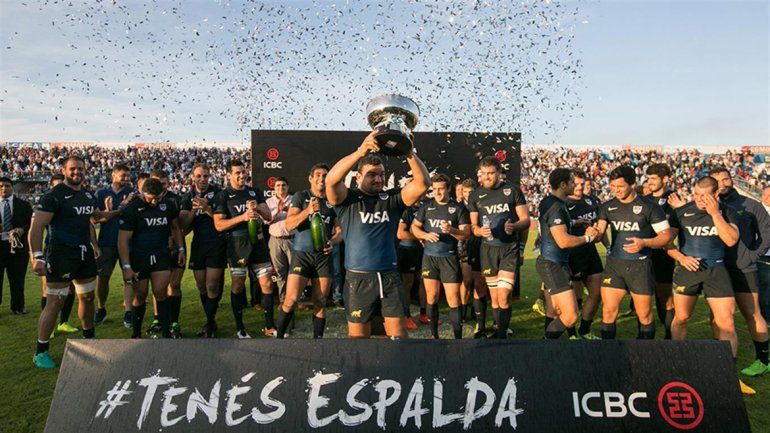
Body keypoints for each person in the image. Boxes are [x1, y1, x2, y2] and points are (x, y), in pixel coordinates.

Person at [326, 131, 430, 338]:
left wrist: (409, 152)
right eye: (372, 174)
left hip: (390, 277)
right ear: (358, 177)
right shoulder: (348, 199)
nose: (378, 178)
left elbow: (423, 184)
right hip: (358, 279)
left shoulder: (391, 198)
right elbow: (331, 181)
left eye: (381, 174)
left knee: (399, 340)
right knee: (359, 341)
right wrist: (359, 153)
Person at [29, 156, 122, 368]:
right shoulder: (53, 196)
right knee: (56, 301)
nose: (77, 172)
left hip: (84, 254)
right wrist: (37, 256)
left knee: (87, 297)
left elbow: (95, 218)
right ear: (63, 170)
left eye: (80, 169)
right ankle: (41, 350)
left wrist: (119, 210)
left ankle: (89, 337)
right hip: (60, 254)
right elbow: (36, 228)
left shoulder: (88, 195)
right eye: (72, 169)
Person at [665, 176, 753, 394]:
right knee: (682, 317)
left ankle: (729, 374)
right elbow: (666, 243)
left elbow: (731, 239)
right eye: (695, 194)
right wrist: (681, 257)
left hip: (717, 271)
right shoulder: (682, 211)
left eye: (704, 195)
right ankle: (677, 363)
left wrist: (715, 214)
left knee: (727, 323)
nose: (699, 199)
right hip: (688, 271)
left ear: (715, 194)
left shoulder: (727, 211)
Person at [593, 165, 673, 340]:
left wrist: (645, 242)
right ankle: (607, 356)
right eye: (612, 187)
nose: (616, 190)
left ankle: (644, 355)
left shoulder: (650, 207)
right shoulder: (607, 207)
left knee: (644, 315)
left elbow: (666, 236)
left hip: (640, 266)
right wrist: (593, 233)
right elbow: (599, 233)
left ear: (632, 183)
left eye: (620, 186)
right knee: (608, 312)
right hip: (615, 265)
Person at [710, 166, 770, 377]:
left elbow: (766, 235)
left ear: (732, 180)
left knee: (751, 313)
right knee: (717, 316)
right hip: (716, 268)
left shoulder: (751, 205)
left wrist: (751, 256)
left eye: (726, 179)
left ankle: (763, 360)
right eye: (717, 180)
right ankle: (721, 357)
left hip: (743, 268)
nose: (723, 183)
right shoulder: (709, 206)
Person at [467, 156, 530, 339]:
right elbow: (473, 227)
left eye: (491, 173)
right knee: (494, 298)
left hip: (508, 248)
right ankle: (498, 330)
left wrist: (514, 226)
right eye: (484, 174)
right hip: (487, 249)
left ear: (499, 173)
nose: (487, 177)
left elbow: (526, 220)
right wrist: (478, 230)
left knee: (503, 295)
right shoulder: (475, 195)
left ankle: (500, 336)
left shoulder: (512, 191)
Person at [276, 164, 342, 339]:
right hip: (302, 256)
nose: (321, 178)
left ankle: (317, 342)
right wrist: (308, 211)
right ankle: (279, 339)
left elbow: (340, 232)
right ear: (310, 178)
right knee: (291, 300)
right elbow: (289, 224)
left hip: (323, 257)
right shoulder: (301, 196)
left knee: (320, 302)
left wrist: (333, 241)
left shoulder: (332, 199)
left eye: (325, 175)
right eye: (318, 175)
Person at [213, 160, 275, 338]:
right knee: (238, 285)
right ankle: (240, 328)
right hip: (237, 244)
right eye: (237, 173)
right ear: (229, 175)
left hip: (258, 242)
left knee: (267, 283)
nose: (242, 175)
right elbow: (219, 225)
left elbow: (269, 215)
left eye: (243, 172)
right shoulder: (223, 195)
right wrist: (242, 217)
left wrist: (258, 210)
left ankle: (269, 326)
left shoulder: (254, 192)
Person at [118, 178, 185, 339]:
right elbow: (123, 240)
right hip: (139, 257)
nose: (155, 201)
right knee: (140, 295)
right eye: (151, 198)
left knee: (160, 292)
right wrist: (126, 266)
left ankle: (166, 333)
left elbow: (175, 227)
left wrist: (181, 248)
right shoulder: (132, 209)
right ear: (142, 193)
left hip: (161, 255)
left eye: (158, 197)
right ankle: (136, 334)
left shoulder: (168, 205)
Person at [537, 169, 599, 339]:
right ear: (563, 185)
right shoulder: (556, 206)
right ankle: (543, 345)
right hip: (553, 264)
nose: (575, 185)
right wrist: (588, 238)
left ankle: (547, 346)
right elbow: (563, 241)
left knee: (556, 310)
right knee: (570, 316)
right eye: (572, 182)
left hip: (554, 263)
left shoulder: (550, 201)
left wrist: (573, 222)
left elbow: (551, 225)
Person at [411, 173, 470, 339]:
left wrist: (452, 230)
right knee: (432, 296)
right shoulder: (426, 207)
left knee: (453, 299)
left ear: (448, 189)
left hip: (449, 258)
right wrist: (425, 235)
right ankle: (433, 336)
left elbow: (466, 234)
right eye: (434, 189)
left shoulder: (458, 208)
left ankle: (457, 338)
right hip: (429, 258)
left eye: (441, 189)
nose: (437, 192)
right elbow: (414, 228)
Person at [179, 163, 226, 338]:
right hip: (198, 245)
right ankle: (211, 320)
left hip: (216, 243)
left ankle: (209, 324)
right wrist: (193, 209)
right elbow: (183, 225)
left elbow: (223, 221)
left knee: (212, 285)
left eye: (205, 176)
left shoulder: (219, 193)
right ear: (193, 177)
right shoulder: (187, 196)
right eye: (199, 176)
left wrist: (207, 209)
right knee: (201, 287)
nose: (202, 179)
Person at [93, 164, 136, 327]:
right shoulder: (101, 193)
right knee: (103, 278)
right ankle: (101, 309)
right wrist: (110, 210)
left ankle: (128, 312)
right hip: (107, 242)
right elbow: (96, 218)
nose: (126, 178)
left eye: (127, 176)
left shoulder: (132, 194)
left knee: (129, 277)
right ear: (113, 175)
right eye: (123, 175)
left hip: (128, 242)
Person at [566, 169, 604, 339]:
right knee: (572, 299)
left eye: (583, 184)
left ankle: (585, 330)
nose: (580, 187)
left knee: (597, 294)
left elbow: (598, 228)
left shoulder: (591, 201)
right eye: (577, 183)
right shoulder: (564, 204)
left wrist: (596, 233)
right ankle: (571, 333)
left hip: (591, 253)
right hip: (572, 255)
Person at [39, 174, 79, 334]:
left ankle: (63, 322)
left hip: (74, 250)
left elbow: (87, 224)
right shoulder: (47, 201)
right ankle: (50, 326)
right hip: (53, 251)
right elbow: (35, 229)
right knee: (48, 291)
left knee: (71, 288)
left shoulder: (74, 200)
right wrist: (35, 255)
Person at [644, 163, 678, 339]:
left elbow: (673, 230)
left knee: (665, 297)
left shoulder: (673, 199)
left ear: (665, 179)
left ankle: (668, 337)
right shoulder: (646, 199)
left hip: (663, 254)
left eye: (653, 178)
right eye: (648, 178)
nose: (649, 182)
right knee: (643, 297)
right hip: (644, 253)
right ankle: (644, 336)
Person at [0, 176, 33, 314]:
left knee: (17, 279)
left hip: (18, 248)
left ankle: (18, 306)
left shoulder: (24, 205)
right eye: (1, 186)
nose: (4, 189)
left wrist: (21, 229)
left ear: (12, 187)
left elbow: (31, 224)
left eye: (7, 186)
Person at [265, 177, 294, 300]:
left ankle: (295, 298)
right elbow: (266, 221)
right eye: (278, 185)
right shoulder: (268, 202)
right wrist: (278, 211)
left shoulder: (294, 200)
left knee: (295, 272)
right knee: (280, 272)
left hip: (292, 239)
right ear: (274, 188)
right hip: (275, 240)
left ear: (287, 187)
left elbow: (301, 218)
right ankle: (283, 299)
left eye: (283, 185)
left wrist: (289, 210)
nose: (280, 188)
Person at [397, 200, 423, 330]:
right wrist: (421, 237)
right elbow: (400, 233)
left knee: (424, 282)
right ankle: (406, 317)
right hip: (408, 250)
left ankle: (424, 314)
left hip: (423, 250)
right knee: (408, 284)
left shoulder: (426, 207)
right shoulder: (406, 210)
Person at [759, 185, 770, 322]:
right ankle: (765, 316)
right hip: (763, 255)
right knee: (765, 286)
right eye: (765, 195)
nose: (766, 198)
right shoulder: (756, 210)